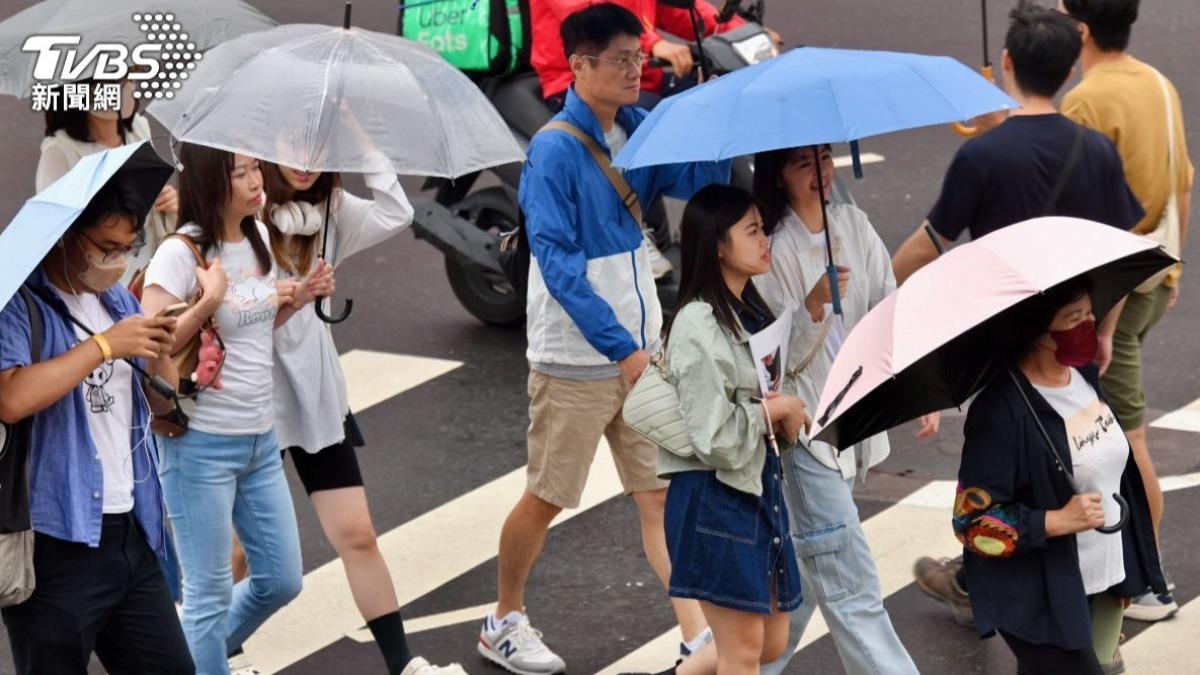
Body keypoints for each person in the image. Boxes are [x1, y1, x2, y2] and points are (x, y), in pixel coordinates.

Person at [477, 5, 731, 674]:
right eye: (620, 59)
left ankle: (699, 637)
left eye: (637, 56)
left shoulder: (637, 127)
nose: (635, 67)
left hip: (638, 351)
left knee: (658, 497)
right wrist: (623, 349)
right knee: (549, 494)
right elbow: (557, 263)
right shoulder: (554, 149)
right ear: (580, 65)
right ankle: (503, 619)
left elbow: (704, 181)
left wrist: (708, 113)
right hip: (578, 358)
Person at [889, 4, 1145, 626]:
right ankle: (1085, 605)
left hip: (1004, 355)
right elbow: (1122, 260)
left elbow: (922, 250)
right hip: (1075, 348)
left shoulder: (984, 156)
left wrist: (915, 308)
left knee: (1002, 480)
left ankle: (997, 592)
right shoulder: (1096, 151)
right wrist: (1101, 331)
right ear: (1068, 65)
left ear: (1006, 62)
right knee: (1079, 468)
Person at [232, 160, 461, 675]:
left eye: (320, 148)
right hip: (246, 404)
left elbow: (397, 211)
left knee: (358, 534)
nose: (307, 163)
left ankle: (403, 664)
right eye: (294, 148)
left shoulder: (329, 212)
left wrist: (363, 144)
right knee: (238, 554)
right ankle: (225, 655)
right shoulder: (236, 220)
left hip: (313, 399)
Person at [141, 144, 333, 675]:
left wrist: (297, 299)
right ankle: (199, 658)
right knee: (206, 595)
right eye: (241, 173)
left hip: (259, 439)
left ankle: (186, 656)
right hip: (199, 445)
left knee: (281, 579)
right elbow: (148, 342)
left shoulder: (260, 240)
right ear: (210, 182)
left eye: (255, 169)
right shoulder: (181, 254)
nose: (256, 181)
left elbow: (247, 335)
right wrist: (206, 301)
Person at [0, 173, 193, 674]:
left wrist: (162, 351)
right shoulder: (19, 305)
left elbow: (159, 404)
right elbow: (12, 398)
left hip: (131, 528)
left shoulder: (118, 302)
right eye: (106, 247)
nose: (117, 261)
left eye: (128, 247)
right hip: (55, 543)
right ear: (67, 236)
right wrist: (105, 346)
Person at [748, 144, 919, 675]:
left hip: (854, 417)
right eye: (804, 164)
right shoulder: (769, 250)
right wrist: (814, 304)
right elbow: (773, 360)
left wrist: (909, 385)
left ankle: (744, 667)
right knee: (851, 585)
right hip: (806, 435)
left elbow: (887, 304)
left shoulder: (852, 223)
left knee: (801, 579)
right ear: (777, 176)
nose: (820, 173)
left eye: (825, 159)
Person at [952, 275, 1166, 674]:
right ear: (1037, 332)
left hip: (1097, 580)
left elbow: (1111, 475)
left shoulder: (1082, 374)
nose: (1088, 325)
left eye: (1089, 312)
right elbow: (972, 524)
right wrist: (1053, 520)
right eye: (1073, 317)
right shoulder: (1000, 413)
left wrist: (1123, 573)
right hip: (1040, 595)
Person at [1058, 0, 1194, 622]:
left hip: (1115, 295)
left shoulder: (1085, 100)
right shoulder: (1157, 84)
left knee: (1124, 437)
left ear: (1081, 30)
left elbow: (1089, 221)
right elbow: (1182, 182)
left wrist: (1101, 319)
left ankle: (1148, 581)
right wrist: (1175, 268)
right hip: (1157, 277)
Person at [655, 183, 808, 674]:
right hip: (714, 500)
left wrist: (779, 414)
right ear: (719, 245)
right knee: (743, 652)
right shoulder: (698, 325)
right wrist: (774, 410)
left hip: (756, 490)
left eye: (763, 228)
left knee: (769, 641)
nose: (766, 240)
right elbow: (712, 436)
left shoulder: (750, 309)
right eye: (753, 231)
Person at [36, 80, 179, 281]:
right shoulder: (60, 152)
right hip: (98, 285)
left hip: (148, 275)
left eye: (129, 76)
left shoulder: (137, 128)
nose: (126, 86)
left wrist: (167, 203)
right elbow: (54, 235)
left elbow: (151, 206)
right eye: (111, 80)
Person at [530, 0, 762, 110]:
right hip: (581, 82)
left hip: (641, 76)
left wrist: (743, 30)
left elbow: (680, 8)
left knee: (718, 94)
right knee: (659, 122)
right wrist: (653, 44)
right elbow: (594, 16)